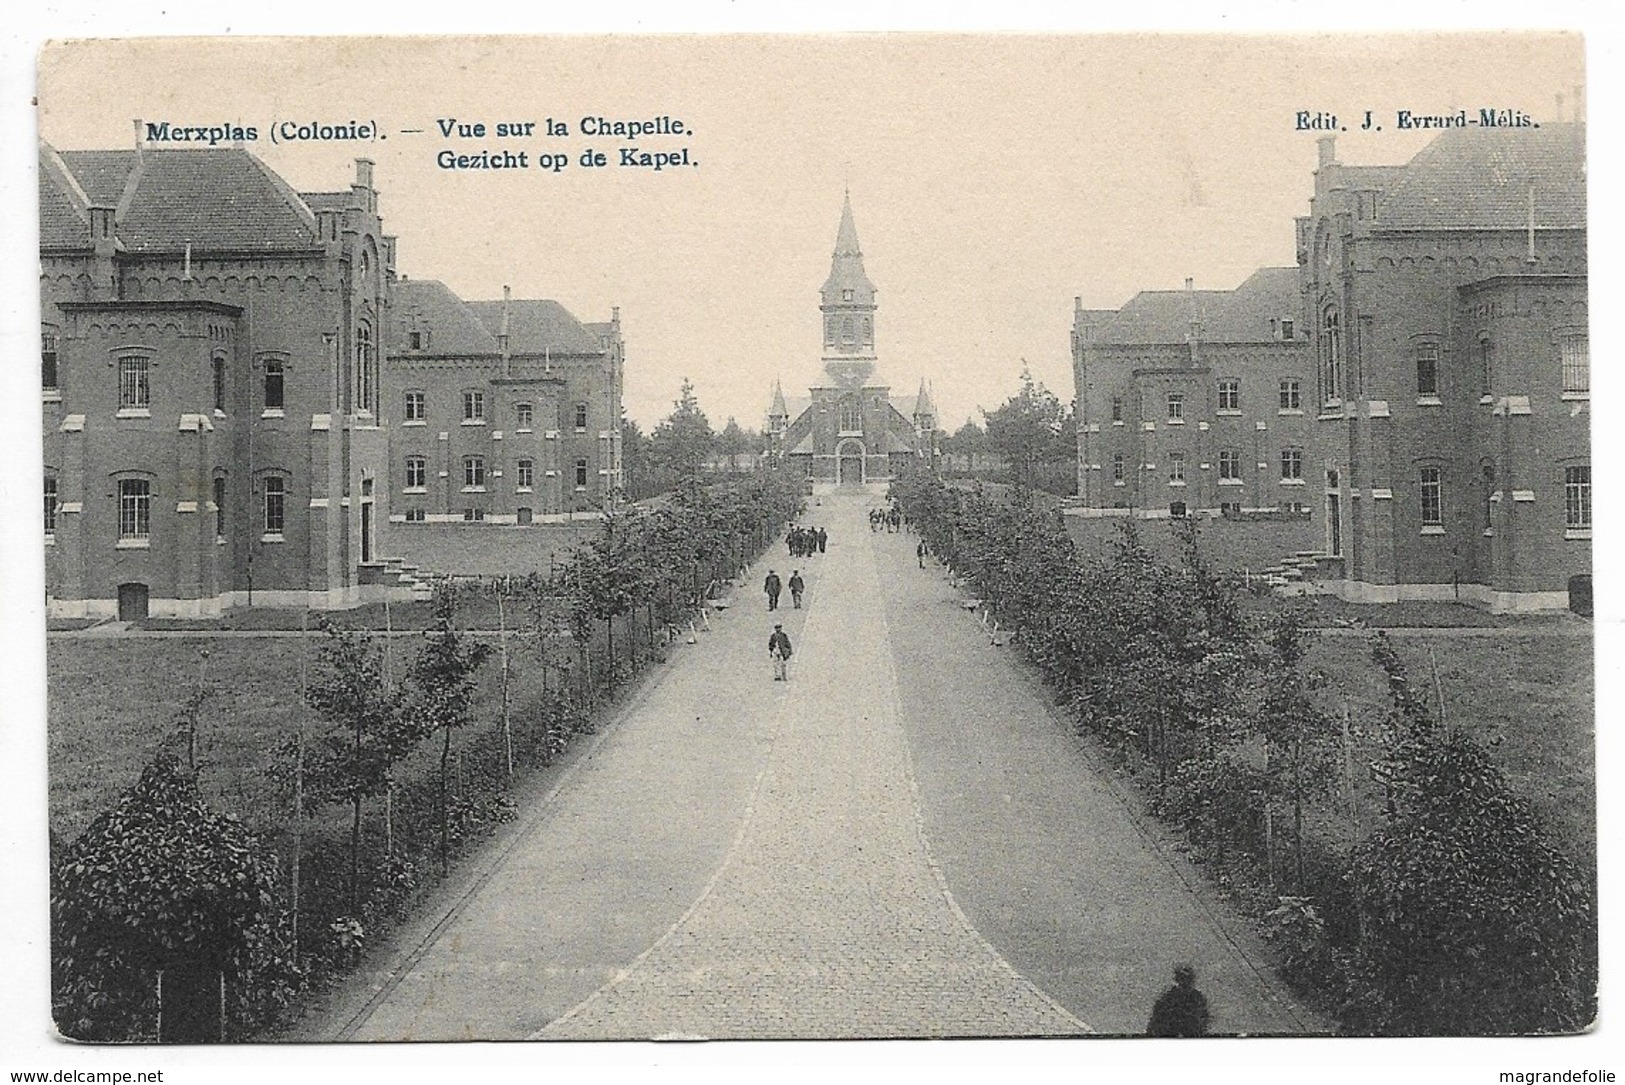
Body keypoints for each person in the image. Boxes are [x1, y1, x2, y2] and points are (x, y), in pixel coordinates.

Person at [1146, 965, 1210, 1037]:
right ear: (1177, 979)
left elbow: (1203, 1018)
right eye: (1182, 978)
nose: (1185, 982)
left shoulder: (1197, 997)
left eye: (1188, 979)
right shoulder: (1167, 997)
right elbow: (1157, 1019)